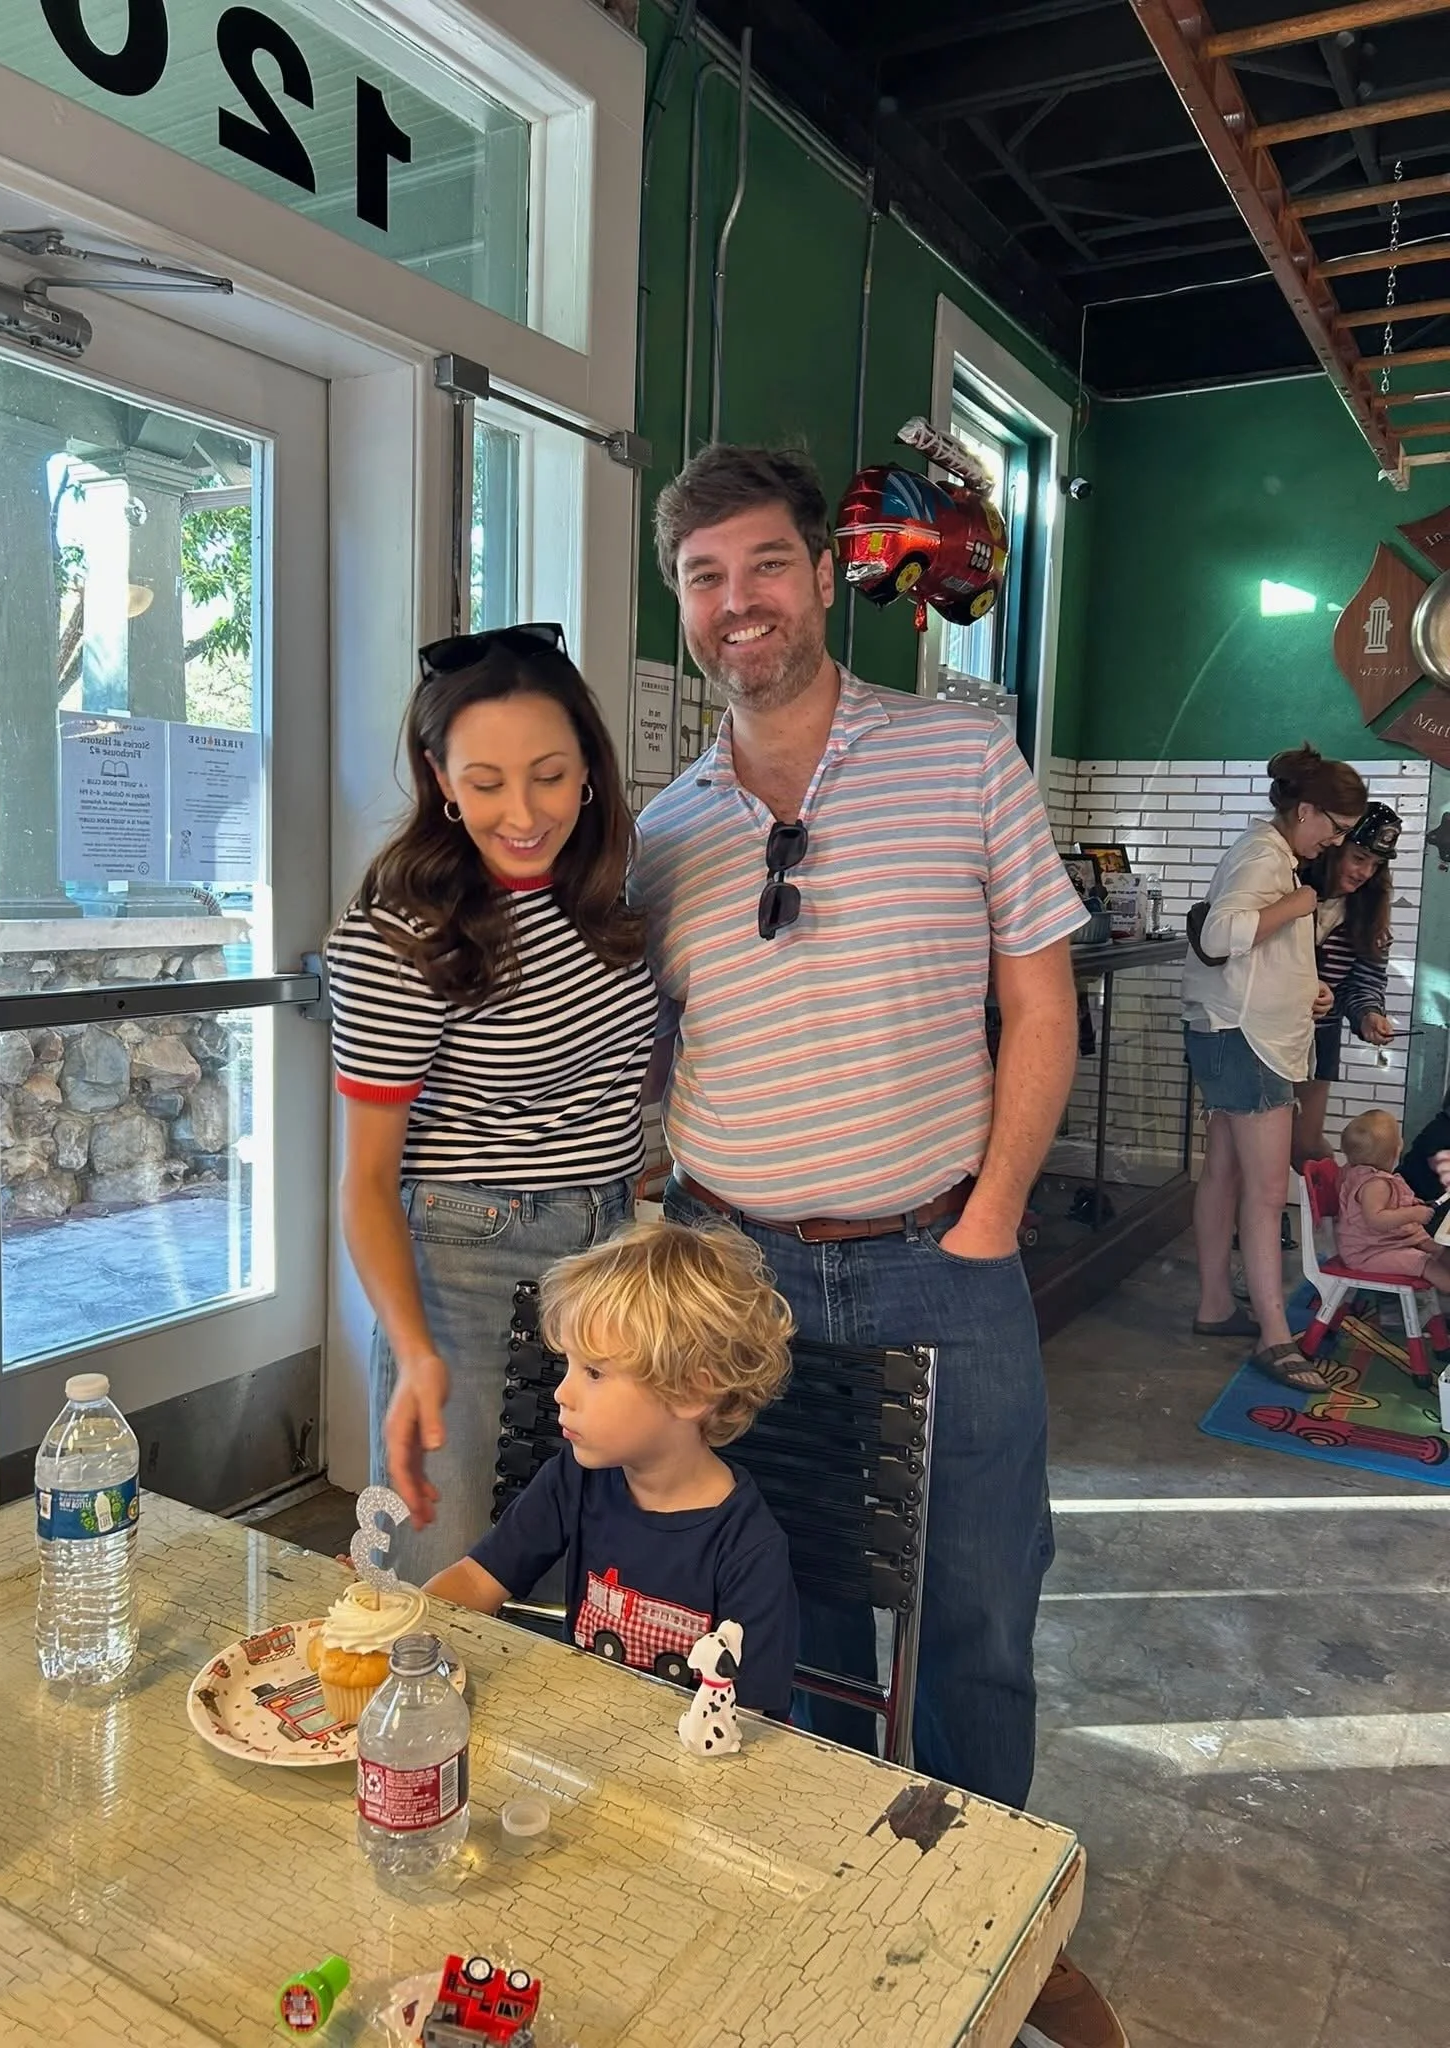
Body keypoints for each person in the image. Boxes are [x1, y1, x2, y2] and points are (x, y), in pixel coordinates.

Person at [633, 444, 1122, 2048]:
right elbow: (648, 1047)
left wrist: (990, 1222)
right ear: (680, 600)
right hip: (739, 1277)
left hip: (938, 1256)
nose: (739, 602)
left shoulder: (961, 757)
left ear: (823, 576)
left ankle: (989, 1917)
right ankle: (851, 1906)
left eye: (765, 564)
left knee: (978, 1604)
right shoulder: (666, 828)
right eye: (704, 576)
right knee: (790, 1606)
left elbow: (1038, 1003)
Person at [326, 624, 658, 1584]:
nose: (522, 812)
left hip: (606, 1256)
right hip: (468, 1263)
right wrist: (413, 1351)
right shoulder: (402, 936)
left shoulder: (604, 892)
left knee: (583, 1566)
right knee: (444, 1573)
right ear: (440, 778)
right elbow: (366, 1183)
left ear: (588, 765)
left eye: (549, 776)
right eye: (485, 783)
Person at [425, 1218, 799, 1717]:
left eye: (595, 1373)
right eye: (569, 1365)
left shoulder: (749, 1549)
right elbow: (477, 1581)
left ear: (692, 1392)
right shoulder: (574, 1479)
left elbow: (752, 1721)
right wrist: (401, 1626)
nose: (562, 1393)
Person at [1183, 746, 1366, 1392]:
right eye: (1335, 829)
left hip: (1237, 1032)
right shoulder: (1266, 856)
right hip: (1249, 1040)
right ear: (1307, 809)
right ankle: (1275, 1337)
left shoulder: (1273, 855)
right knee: (1264, 1193)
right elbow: (1219, 934)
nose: (1335, 842)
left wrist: (1308, 987)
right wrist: (1299, 904)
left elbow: (1254, 950)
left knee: (1226, 1174)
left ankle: (1216, 1306)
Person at [1292, 804, 1401, 1170]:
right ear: (1334, 846)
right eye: (1358, 858)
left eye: (1376, 865)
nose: (1365, 873)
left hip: (1319, 1037)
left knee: (1306, 1145)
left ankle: (1353, 1204)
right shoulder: (1289, 887)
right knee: (1254, 1145)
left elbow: (1364, 982)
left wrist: (1369, 1014)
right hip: (1263, 1033)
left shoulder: (1368, 912)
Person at [1334, 1110, 1450, 1288]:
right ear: (1396, 1151)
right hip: (1370, 1252)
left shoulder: (1356, 1173)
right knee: (1426, 1263)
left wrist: (1411, 1204)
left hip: (1387, 1242)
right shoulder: (1376, 1185)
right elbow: (1376, 1220)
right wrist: (1413, 1214)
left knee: (1438, 1249)